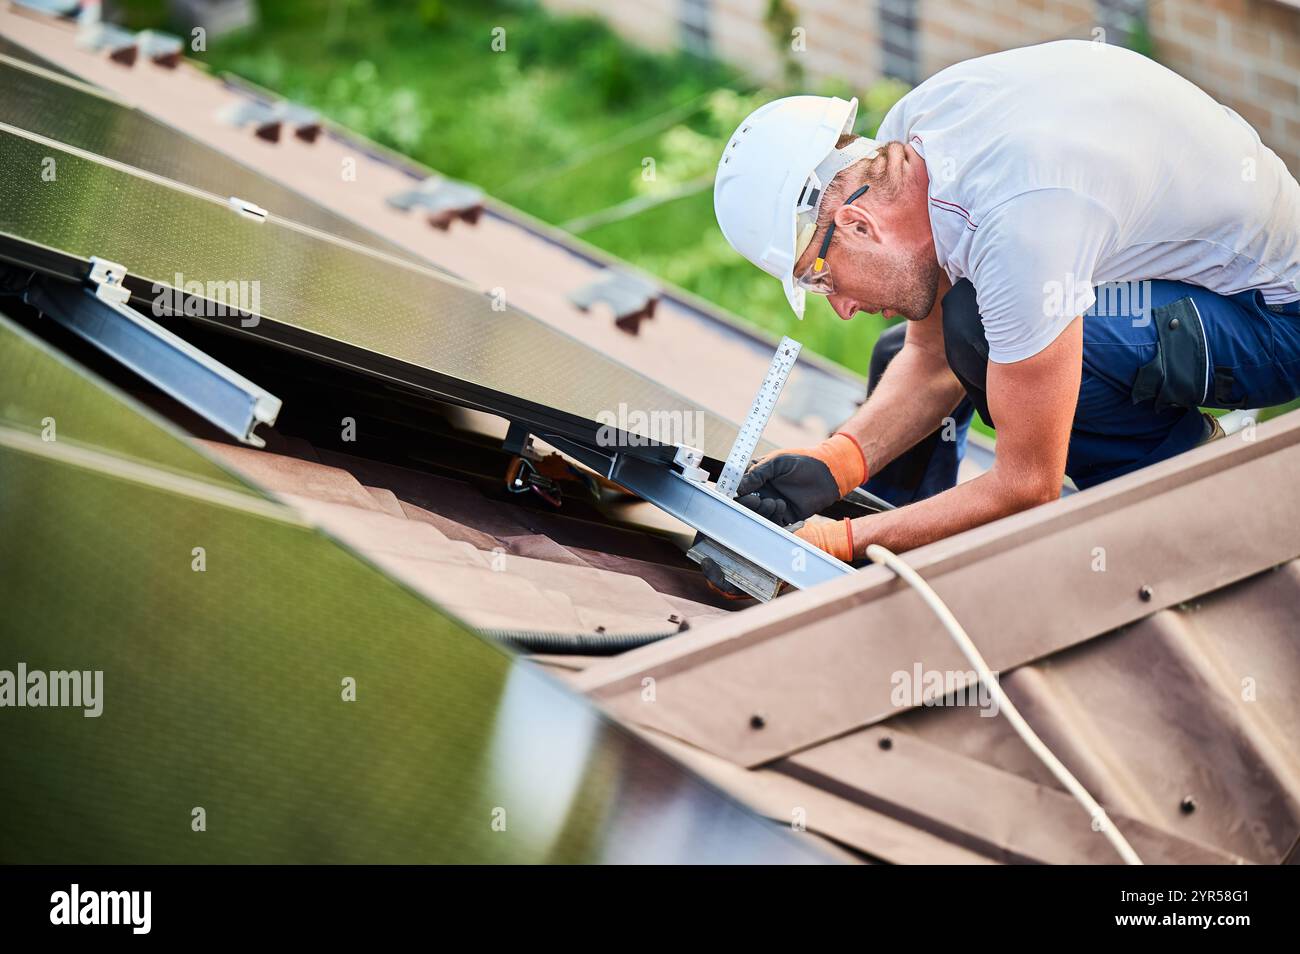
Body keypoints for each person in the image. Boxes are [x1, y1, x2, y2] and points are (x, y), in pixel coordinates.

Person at [712, 39, 1300, 562]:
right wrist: (836, 463)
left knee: (985, 333)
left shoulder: (1019, 223)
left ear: (860, 225)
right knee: (917, 345)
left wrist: (834, 545)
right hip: (1179, 267)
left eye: (821, 278)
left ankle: (1185, 485)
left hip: (1274, 318)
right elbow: (930, 355)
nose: (838, 307)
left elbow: (1027, 485)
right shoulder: (909, 137)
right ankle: (897, 549)